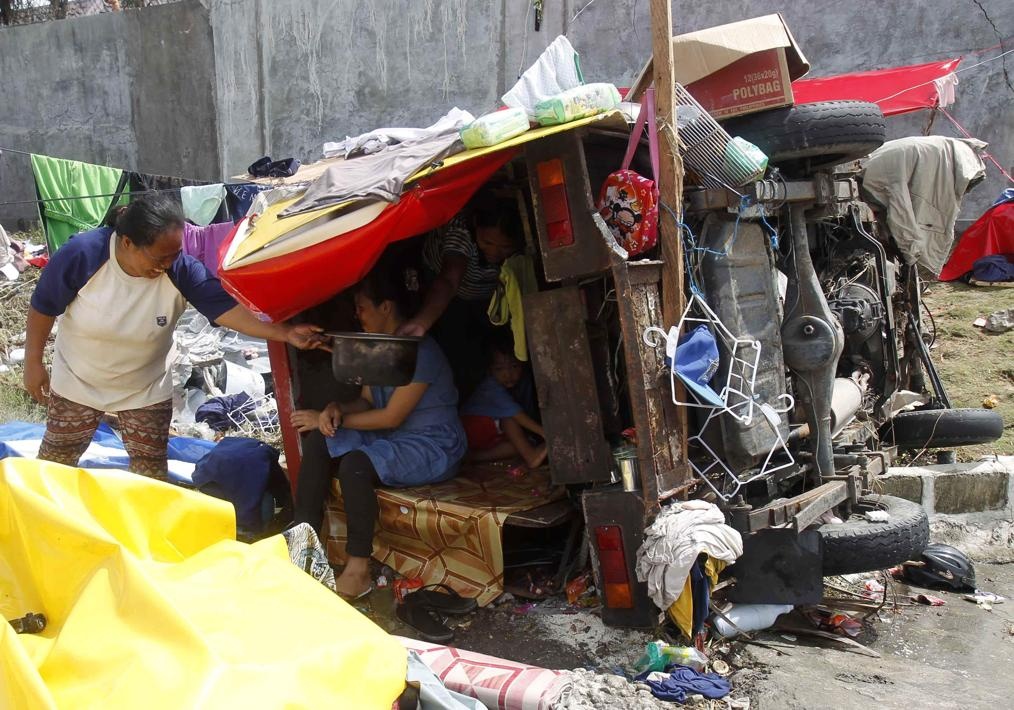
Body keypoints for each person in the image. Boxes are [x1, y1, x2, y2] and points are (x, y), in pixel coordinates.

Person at [24, 194, 328, 478]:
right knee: (55, 466)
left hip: (145, 386)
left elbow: (228, 311)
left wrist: (285, 333)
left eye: (174, 255)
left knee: (150, 475)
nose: (167, 264)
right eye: (159, 257)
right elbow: (43, 307)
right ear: (127, 243)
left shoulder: (180, 269)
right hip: (79, 380)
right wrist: (33, 363)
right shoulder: (84, 255)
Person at [290, 267, 466, 598]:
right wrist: (335, 411)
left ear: (386, 307)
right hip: (395, 437)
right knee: (320, 441)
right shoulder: (376, 348)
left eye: (362, 307)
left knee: (355, 464)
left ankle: (358, 571)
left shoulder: (421, 352)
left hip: (432, 443)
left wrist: (325, 418)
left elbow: (391, 416)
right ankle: (303, 544)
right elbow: (367, 401)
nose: (357, 315)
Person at [396, 193, 522, 397]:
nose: (495, 252)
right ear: (475, 226)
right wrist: (421, 322)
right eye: (487, 242)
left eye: (505, 247)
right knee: (457, 348)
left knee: (499, 346)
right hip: (446, 297)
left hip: (488, 296)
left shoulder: (521, 238)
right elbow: (449, 280)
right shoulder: (460, 231)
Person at [460, 339, 547, 469]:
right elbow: (517, 415)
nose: (508, 374)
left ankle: (473, 457)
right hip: (470, 429)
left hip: (490, 434)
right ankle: (531, 457)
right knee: (509, 419)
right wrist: (545, 433)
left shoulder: (524, 383)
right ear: (489, 371)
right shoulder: (491, 387)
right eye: (499, 369)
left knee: (520, 444)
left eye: (514, 366)